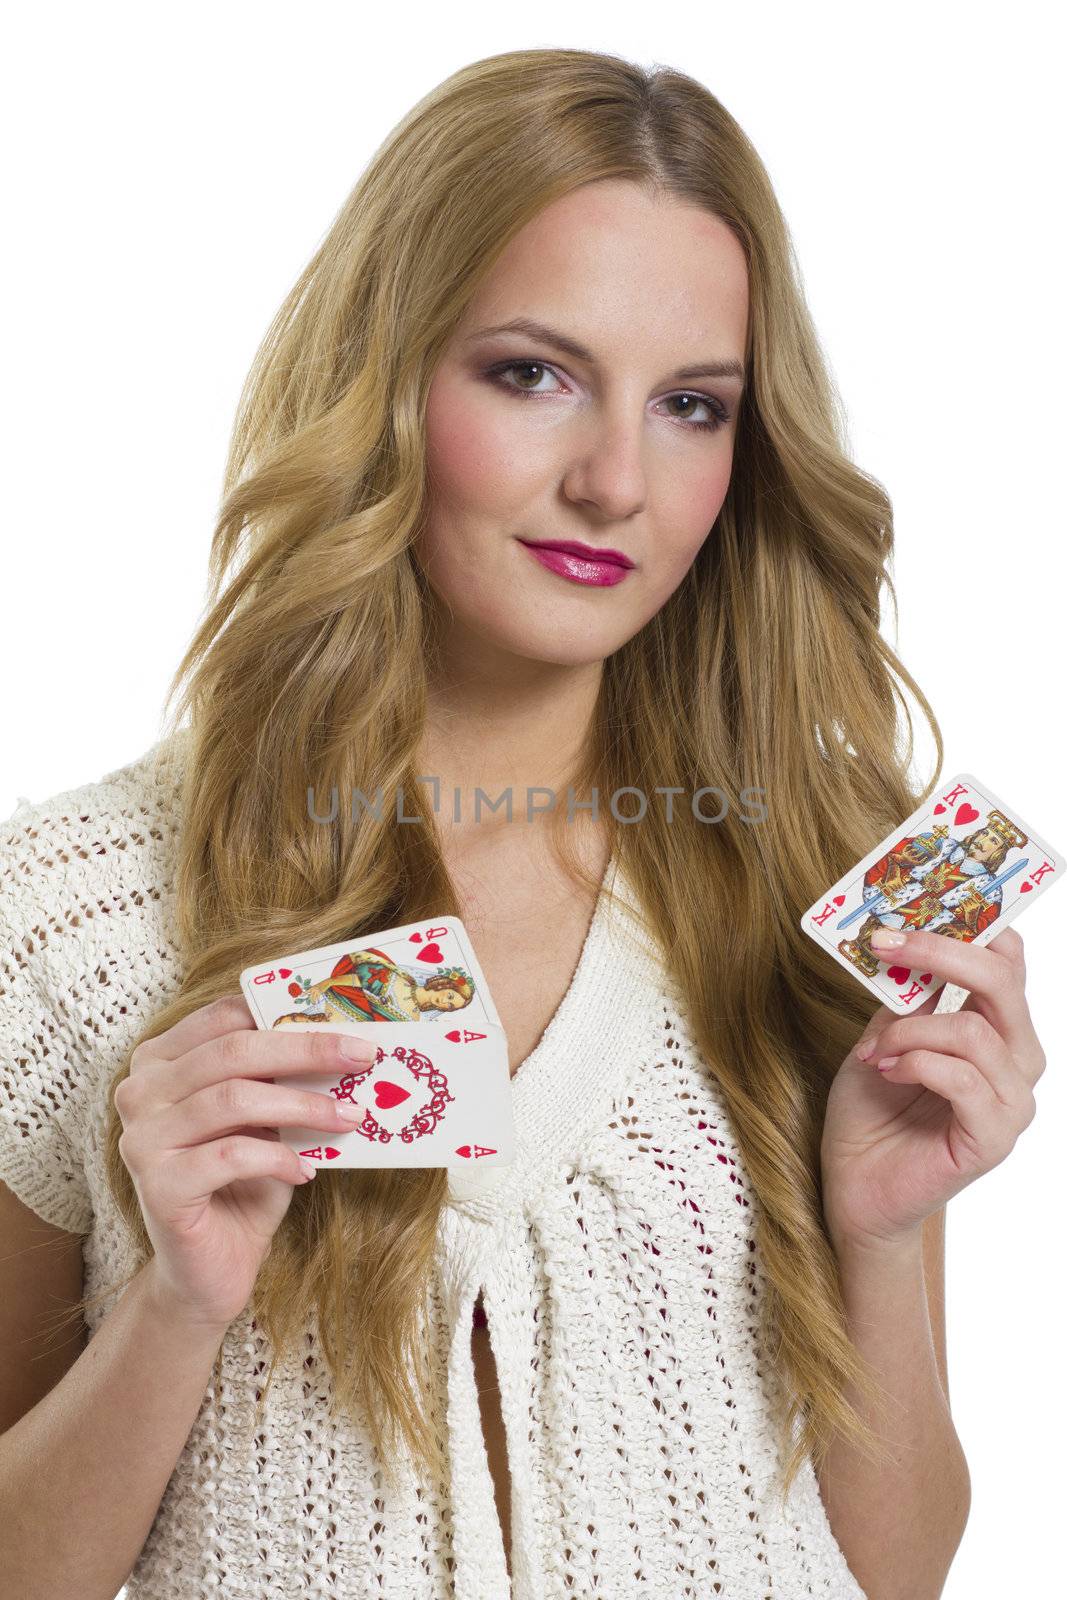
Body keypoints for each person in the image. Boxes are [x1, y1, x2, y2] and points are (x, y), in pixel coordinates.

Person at [0, 46, 1045, 1600]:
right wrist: (176, 1305)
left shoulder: (816, 882)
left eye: (693, 406)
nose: (617, 480)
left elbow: (896, 1572)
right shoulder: (74, 911)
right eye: (532, 374)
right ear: (389, 382)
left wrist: (880, 1239)